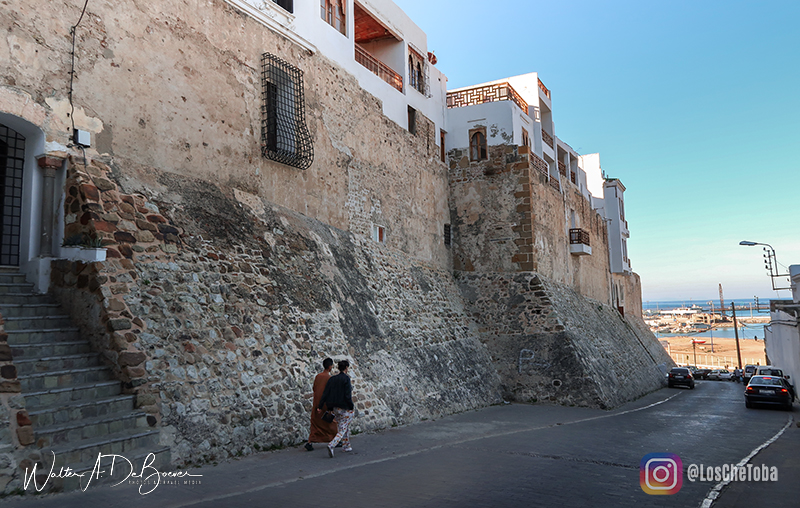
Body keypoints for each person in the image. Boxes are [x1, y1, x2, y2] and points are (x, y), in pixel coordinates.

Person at [317, 359, 355, 458]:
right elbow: (347, 395)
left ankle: (346, 446)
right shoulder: (346, 379)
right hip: (345, 407)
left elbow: (325, 393)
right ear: (346, 368)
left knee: (343, 426)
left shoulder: (332, 379)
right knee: (342, 429)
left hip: (335, 408)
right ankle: (332, 444)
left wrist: (320, 406)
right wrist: (351, 406)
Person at [305, 358, 337, 451]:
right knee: (331, 423)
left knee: (315, 424)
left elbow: (314, 388)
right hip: (325, 404)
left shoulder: (318, 376)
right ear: (330, 367)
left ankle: (310, 442)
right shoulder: (329, 378)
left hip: (316, 403)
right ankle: (335, 440)